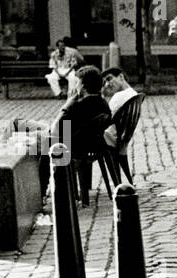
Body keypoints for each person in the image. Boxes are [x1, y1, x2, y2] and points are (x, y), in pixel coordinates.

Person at [18, 65, 112, 207]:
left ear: (83, 86)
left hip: (68, 145)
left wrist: (69, 101)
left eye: (77, 82)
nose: (75, 85)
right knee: (35, 137)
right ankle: (38, 188)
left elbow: (56, 128)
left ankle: (39, 190)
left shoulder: (77, 105)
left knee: (33, 142)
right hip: (86, 142)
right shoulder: (102, 103)